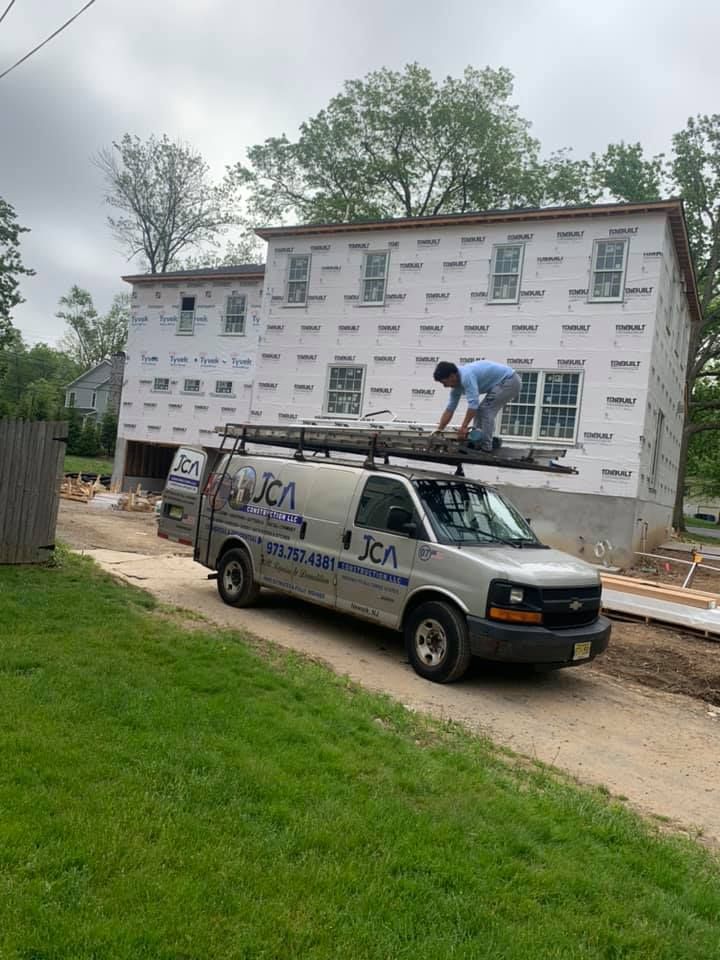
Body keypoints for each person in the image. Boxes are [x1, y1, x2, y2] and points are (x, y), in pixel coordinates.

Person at [433, 359, 521, 451]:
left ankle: (486, 447)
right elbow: (450, 409)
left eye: (444, 382)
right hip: (500, 383)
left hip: (510, 380)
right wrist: (439, 430)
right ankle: (476, 442)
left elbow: (473, 405)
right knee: (480, 411)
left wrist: (464, 427)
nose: (444, 386)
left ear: (452, 376)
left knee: (486, 410)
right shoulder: (456, 387)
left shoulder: (466, 376)